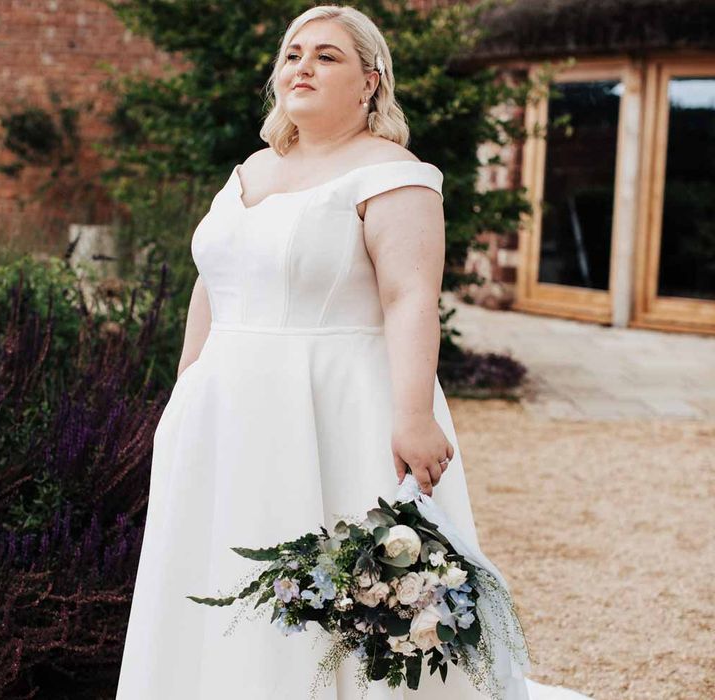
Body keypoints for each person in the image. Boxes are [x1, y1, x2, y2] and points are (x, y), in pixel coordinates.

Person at [116, 5, 592, 699]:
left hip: (334, 407)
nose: (301, 65)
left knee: (341, 599)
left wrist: (412, 414)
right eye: (292, 54)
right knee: (215, 569)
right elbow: (212, 286)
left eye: (326, 56)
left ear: (370, 81)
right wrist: (182, 395)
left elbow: (408, 297)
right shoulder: (251, 169)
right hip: (223, 413)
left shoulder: (393, 173)